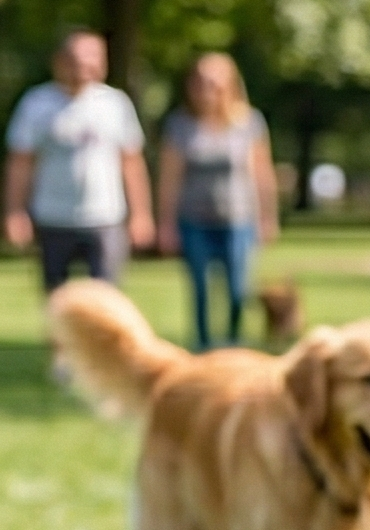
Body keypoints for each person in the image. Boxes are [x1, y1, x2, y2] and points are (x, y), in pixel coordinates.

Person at [4, 30, 153, 291]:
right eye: (77, 58)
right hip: (53, 217)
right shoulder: (36, 104)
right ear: (59, 61)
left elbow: (131, 162)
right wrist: (15, 212)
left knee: (106, 299)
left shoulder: (115, 104)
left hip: (105, 217)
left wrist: (141, 214)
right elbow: (20, 163)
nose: (85, 65)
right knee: (58, 301)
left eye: (93, 57)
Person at [158, 52, 279, 350]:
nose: (206, 89)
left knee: (238, 290)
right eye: (199, 82)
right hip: (194, 219)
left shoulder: (249, 122)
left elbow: (262, 173)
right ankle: (202, 348)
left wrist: (267, 215)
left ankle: (233, 344)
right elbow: (170, 178)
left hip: (238, 219)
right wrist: (166, 224)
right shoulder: (180, 125)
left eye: (213, 82)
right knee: (200, 289)